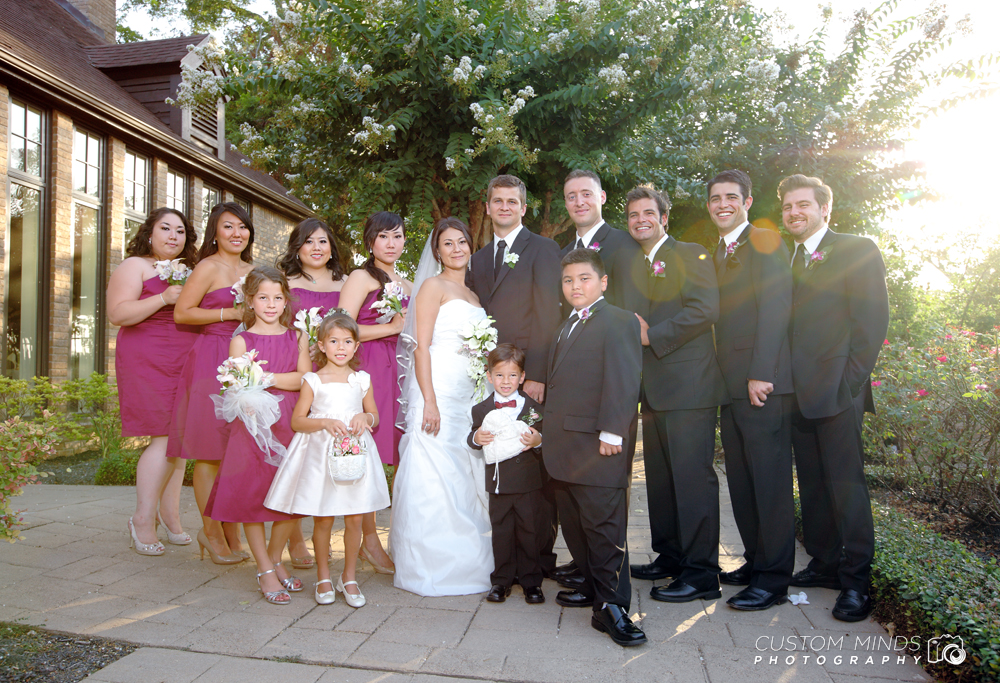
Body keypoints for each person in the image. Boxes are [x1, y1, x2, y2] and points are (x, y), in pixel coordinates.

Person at [780, 174, 889, 622]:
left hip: (838, 392)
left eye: (803, 205)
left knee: (847, 488)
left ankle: (857, 583)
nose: (794, 213)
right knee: (813, 485)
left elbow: (871, 323)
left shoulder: (856, 249)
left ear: (825, 209)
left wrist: (849, 385)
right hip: (798, 396)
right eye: (787, 207)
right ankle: (824, 563)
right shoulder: (789, 259)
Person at [625, 185, 729, 603]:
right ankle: (670, 557)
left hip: (690, 388)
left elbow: (706, 308)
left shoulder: (689, 253)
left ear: (664, 218)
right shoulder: (637, 264)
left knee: (692, 482)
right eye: (633, 215)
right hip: (654, 391)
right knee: (662, 482)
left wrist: (654, 336)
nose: (640, 220)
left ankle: (702, 574)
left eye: (648, 212)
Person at [542, 248, 644, 646]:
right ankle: (590, 588)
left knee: (604, 529)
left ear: (602, 282)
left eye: (584, 278)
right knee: (577, 525)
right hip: (565, 446)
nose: (575, 286)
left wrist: (613, 433)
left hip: (597, 444)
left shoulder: (618, 320)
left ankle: (614, 608)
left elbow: (623, 378)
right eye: (568, 280)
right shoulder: (565, 323)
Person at [390, 218, 493, 597]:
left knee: (464, 470)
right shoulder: (432, 287)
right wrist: (429, 400)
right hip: (436, 389)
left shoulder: (475, 297)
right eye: (447, 244)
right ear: (437, 251)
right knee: (432, 469)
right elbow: (420, 345)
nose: (456, 249)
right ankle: (429, 563)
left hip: (467, 394)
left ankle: (469, 556)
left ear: (470, 246)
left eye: (462, 242)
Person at [706, 170, 795, 611]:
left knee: (769, 483)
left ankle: (775, 580)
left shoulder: (763, 241)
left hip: (761, 385)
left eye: (731, 197)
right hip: (731, 385)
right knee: (742, 481)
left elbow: (777, 306)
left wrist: (762, 372)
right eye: (715, 198)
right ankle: (757, 561)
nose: (723, 204)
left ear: (747, 200)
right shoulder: (718, 252)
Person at [554, 169, 646, 587]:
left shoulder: (625, 245)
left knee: (603, 503)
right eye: (570, 195)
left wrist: (614, 427)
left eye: (585, 194)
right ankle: (590, 574)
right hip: (573, 405)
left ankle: (609, 589)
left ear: (601, 197)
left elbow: (624, 371)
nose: (578, 201)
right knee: (577, 506)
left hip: (607, 393)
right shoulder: (565, 259)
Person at [469, 174, 562, 578]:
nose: (504, 207)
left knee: (535, 475)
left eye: (512, 201)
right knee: (501, 474)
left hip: (527, 377)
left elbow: (548, 313)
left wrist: (537, 373)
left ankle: (539, 563)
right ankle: (505, 564)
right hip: (492, 377)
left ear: (524, 208)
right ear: (487, 207)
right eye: (497, 201)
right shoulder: (477, 259)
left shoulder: (542, 249)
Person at [265, 312, 390, 608]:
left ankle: (348, 577)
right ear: (321, 345)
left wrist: (364, 416)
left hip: (354, 453)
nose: (341, 347)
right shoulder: (312, 380)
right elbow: (298, 421)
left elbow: (374, 415)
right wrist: (323, 423)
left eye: (347, 341)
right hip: (321, 454)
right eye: (334, 341)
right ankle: (323, 575)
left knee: (356, 518)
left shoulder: (362, 380)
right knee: (323, 518)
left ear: (356, 346)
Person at [203, 266, 311, 605]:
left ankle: (275, 558)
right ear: (250, 300)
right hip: (253, 426)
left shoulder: (297, 337)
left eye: (277, 298)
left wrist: (264, 376)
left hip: (289, 421)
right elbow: (239, 382)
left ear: (285, 301)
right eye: (263, 297)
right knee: (253, 494)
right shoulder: (241, 339)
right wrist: (277, 378)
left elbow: (305, 380)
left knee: (288, 496)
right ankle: (264, 568)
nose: (270, 304)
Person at [108, 207, 199, 556]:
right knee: (165, 435)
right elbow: (118, 313)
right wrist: (162, 297)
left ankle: (170, 514)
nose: (173, 236)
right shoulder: (135, 266)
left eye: (180, 231)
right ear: (150, 233)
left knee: (180, 437)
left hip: (185, 355)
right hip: (147, 355)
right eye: (166, 228)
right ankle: (142, 519)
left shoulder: (190, 271)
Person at [169, 202, 256, 564]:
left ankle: (231, 530)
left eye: (242, 227)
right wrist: (229, 312)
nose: (237, 233)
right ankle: (211, 534)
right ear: (215, 233)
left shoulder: (254, 271)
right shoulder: (208, 267)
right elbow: (182, 313)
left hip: (245, 359)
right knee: (209, 451)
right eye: (228, 226)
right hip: (210, 357)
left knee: (237, 451)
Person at [340, 211, 411, 575]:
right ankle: (368, 540)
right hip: (369, 369)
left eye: (397, 236)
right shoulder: (361, 277)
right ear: (370, 241)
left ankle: (397, 534)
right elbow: (339, 327)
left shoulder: (407, 283)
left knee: (397, 455)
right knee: (368, 454)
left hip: (400, 374)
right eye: (384, 237)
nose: (392, 244)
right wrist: (391, 328)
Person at [276, 217, 348, 570]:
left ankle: (319, 532)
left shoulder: (346, 283)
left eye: (323, 241)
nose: (317, 248)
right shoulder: (285, 283)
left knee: (325, 455)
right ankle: (292, 537)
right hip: (298, 369)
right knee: (297, 454)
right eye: (309, 242)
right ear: (297, 248)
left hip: (334, 374)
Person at [468, 344, 545, 605]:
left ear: (522, 377)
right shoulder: (481, 410)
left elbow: (544, 438)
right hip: (498, 484)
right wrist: (476, 437)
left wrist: (538, 441)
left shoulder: (534, 408)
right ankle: (501, 581)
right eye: (499, 375)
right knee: (501, 532)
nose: (505, 381)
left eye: (512, 375)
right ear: (489, 376)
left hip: (528, 483)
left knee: (529, 532)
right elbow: (472, 437)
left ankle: (532, 582)